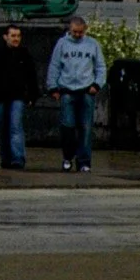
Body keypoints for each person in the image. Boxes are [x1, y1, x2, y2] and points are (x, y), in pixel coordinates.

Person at [44, 13, 106, 173]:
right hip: (67, 90)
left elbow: (100, 67)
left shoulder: (93, 44)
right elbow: (55, 66)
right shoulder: (62, 44)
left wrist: (97, 84)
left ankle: (84, 161)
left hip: (87, 90)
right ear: (70, 30)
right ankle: (67, 156)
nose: (77, 35)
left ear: (85, 30)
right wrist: (53, 87)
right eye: (75, 32)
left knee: (85, 128)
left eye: (80, 32)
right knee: (68, 126)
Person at [0, 23, 40, 170]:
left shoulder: (25, 55)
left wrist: (32, 95)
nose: (16, 39)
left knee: (15, 126)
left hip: (18, 96)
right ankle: (6, 158)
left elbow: (32, 77)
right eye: (13, 36)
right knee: (3, 128)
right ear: (5, 37)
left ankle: (17, 159)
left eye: (18, 36)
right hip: (0, 96)